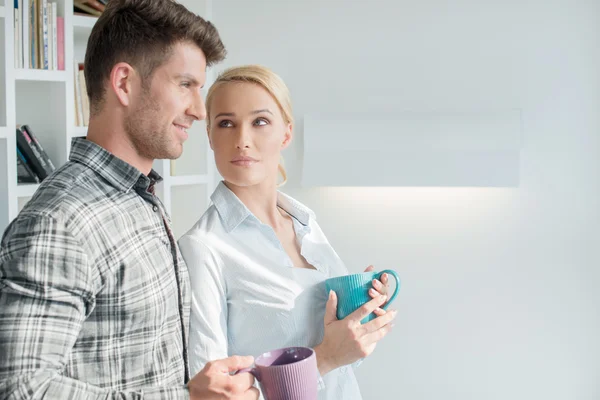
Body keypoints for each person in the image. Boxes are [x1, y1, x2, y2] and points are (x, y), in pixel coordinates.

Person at [0, 1, 258, 399]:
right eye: (185, 84)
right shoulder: (61, 221)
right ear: (124, 83)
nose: (197, 110)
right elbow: (20, 390)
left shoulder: (140, 197)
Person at [178, 65, 397, 399]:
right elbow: (214, 394)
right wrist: (327, 357)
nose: (242, 140)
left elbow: (337, 353)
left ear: (286, 133)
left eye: (260, 121)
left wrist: (361, 315)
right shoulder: (203, 247)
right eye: (226, 123)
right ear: (209, 136)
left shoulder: (305, 223)